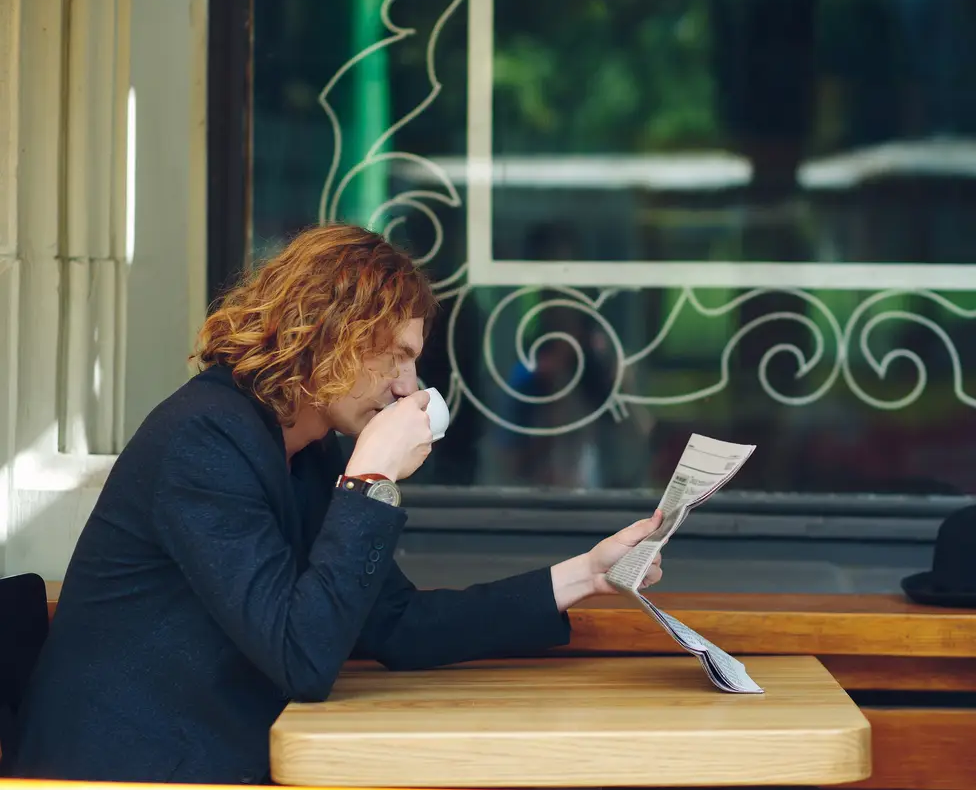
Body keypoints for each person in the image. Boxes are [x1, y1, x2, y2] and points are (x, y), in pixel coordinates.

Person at [6, 224, 664, 785]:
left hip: (217, 757)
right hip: (123, 773)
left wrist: (587, 574)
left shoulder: (310, 449)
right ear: (330, 335)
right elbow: (303, 657)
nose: (410, 387)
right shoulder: (203, 437)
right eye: (397, 358)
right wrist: (372, 474)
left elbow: (396, 624)